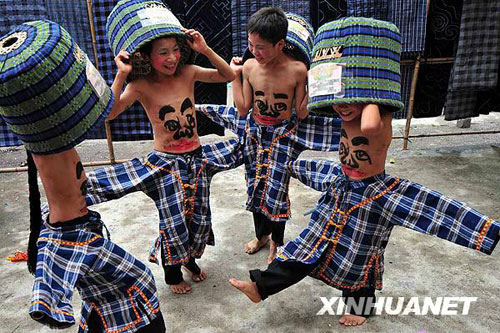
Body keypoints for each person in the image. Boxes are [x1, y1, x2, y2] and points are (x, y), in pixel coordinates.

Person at [229, 17, 500, 327]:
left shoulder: (378, 115)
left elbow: (368, 123)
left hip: (376, 193)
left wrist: (365, 86)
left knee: (366, 253)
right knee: (307, 243)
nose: (343, 108)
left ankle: (361, 307)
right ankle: (260, 287)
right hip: (343, 184)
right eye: (340, 102)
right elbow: (320, 108)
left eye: (351, 100)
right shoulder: (345, 115)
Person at [0, 20, 165, 332]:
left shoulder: (47, 133)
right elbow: (101, 111)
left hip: (81, 216)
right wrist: (48, 299)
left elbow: (100, 109)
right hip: (73, 232)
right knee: (135, 280)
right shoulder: (48, 142)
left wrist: (120, 75)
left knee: (109, 290)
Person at [85, 0, 240, 295]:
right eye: (163, 53)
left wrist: (204, 50)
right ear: (147, 56)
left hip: (196, 159)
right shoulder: (140, 85)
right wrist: (121, 74)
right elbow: (109, 113)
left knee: (198, 216)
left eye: (175, 50)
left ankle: (190, 261)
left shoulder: (189, 71)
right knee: (173, 221)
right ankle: (172, 275)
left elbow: (228, 76)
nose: (172, 58)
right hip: (165, 164)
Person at [200, 9, 340, 265]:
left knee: (276, 190)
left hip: (283, 135)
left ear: (280, 44)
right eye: (251, 45)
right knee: (255, 185)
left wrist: (314, 86)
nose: (254, 51)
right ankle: (261, 236)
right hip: (255, 133)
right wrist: (237, 74)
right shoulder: (251, 66)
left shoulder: (298, 70)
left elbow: (301, 112)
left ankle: (277, 241)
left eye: (261, 47)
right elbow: (243, 108)